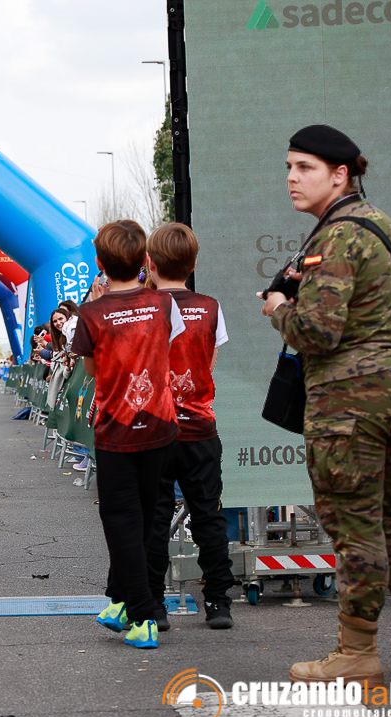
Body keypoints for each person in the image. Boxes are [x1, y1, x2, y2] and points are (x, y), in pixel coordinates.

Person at [259, 124, 391, 685]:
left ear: (340, 174)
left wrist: (277, 308)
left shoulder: (335, 237)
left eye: (305, 168)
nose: (292, 178)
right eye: (289, 167)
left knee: (354, 525)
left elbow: (317, 332)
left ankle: (357, 653)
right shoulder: (382, 224)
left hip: (351, 397)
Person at [70, 220, 185, 650]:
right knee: (146, 517)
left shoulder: (91, 314)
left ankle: (142, 615)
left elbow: (91, 369)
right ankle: (120, 600)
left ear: (99, 264)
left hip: (116, 428)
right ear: (145, 261)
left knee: (121, 520)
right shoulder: (163, 303)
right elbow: (168, 347)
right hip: (160, 424)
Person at [141, 222, 233, 631]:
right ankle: (218, 602)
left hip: (154, 430)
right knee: (208, 515)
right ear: (194, 264)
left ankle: (154, 606)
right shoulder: (210, 307)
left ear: (150, 263)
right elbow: (207, 364)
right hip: (200, 427)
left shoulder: (141, 308)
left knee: (155, 518)